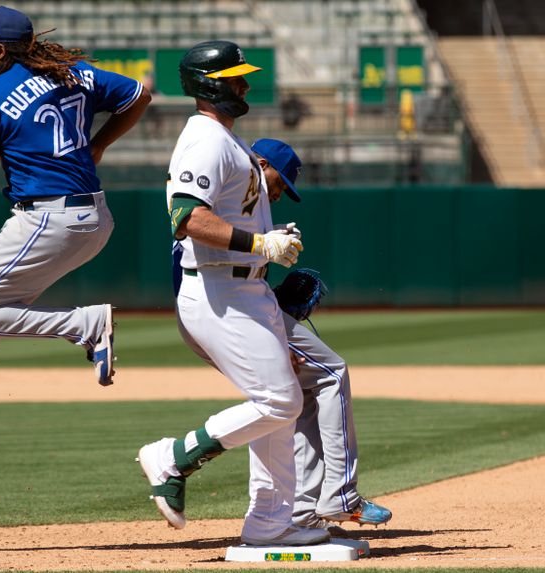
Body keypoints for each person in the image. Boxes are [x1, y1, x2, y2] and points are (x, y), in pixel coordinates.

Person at [0, 6, 151, 457]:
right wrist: (99, 144)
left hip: (48, 218)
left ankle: (86, 324)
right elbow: (139, 95)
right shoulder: (72, 72)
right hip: (90, 217)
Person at [137, 40, 329, 548]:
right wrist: (260, 243)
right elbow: (186, 218)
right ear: (209, 85)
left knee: (277, 400)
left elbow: (231, 212)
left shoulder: (229, 139)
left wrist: (268, 246)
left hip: (245, 289)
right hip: (218, 290)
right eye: (235, 77)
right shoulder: (204, 139)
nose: (244, 85)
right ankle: (174, 455)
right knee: (280, 400)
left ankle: (270, 521)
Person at [247, 139, 393, 529]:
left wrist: (268, 237)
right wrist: (263, 245)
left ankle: (304, 511)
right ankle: (342, 496)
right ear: (262, 164)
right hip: (241, 311)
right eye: (279, 184)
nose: (278, 194)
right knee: (332, 373)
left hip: (245, 309)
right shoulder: (235, 188)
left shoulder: (247, 200)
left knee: (305, 395)